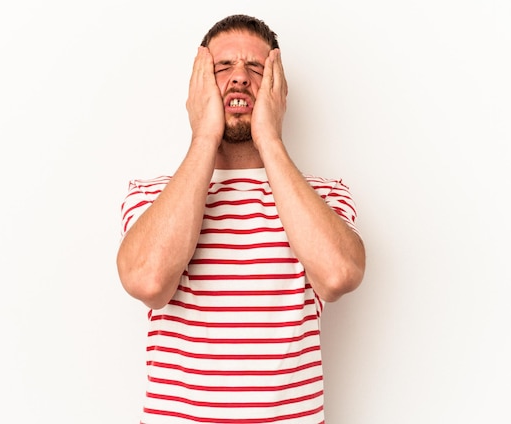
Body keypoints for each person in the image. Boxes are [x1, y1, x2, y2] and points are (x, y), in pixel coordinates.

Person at [117, 14, 366, 424]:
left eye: (256, 69)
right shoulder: (150, 196)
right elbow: (148, 281)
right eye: (222, 67)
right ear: (198, 87)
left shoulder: (324, 195)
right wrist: (203, 137)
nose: (239, 78)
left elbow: (339, 274)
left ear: (278, 90)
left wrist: (270, 137)